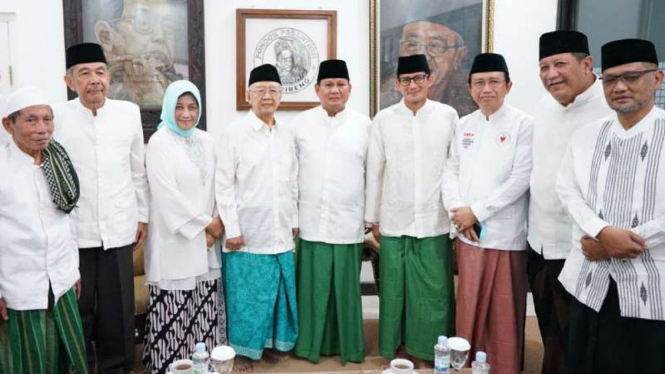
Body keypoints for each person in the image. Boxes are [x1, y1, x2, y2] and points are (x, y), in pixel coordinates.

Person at [557, 38, 665, 374]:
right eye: (611, 79)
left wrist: (623, 242)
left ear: (657, 78)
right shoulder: (587, 135)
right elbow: (567, 190)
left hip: (650, 282)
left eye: (631, 77)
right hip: (589, 280)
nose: (620, 87)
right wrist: (602, 233)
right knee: (582, 359)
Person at [54, 42, 150, 374]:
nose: (94, 80)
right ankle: (80, 366)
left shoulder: (128, 113)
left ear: (108, 77)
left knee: (118, 309)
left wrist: (143, 216)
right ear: (69, 81)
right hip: (73, 232)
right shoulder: (57, 118)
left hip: (119, 227)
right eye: (84, 73)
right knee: (79, 308)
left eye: (99, 72)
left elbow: (138, 170)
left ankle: (118, 367)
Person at [527, 30, 612, 374]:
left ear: (587, 63)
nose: (551, 74)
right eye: (544, 66)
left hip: (584, 246)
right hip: (539, 242)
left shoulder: (609, 108)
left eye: (560, 64)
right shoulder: (544, 106)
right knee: (550, 328)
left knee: (582, 336)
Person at [442, 53, 533, 374]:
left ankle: (505, 366)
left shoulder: (524, 124)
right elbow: (450, 170)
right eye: (479, 83)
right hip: (467, 232)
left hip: (505, 234)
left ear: (508, 85)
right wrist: (458, 212)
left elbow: (521, 179)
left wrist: (477, 211)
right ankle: (464, 365)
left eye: (494, 81)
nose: (487, 89)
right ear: (470, 88)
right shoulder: (464, 125)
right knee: (468, 301)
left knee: (503, 307)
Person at [366, 54, 457, 366]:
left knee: (433, 289)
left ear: (430, 80)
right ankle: (397, 346)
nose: (413, 84)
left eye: (419, 78)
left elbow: (454, 167)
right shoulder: (384, 120)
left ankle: (429, 347)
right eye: (406, 79)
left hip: (435, 219)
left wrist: (456, 213)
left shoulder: (448, 116)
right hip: (393, 217)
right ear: (397, 84)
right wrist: (372, 217)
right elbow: (375, 170)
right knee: (394, 289)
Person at [216, 64, 298, 373]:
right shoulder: (234, 132)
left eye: (274, 90)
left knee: (276, 294)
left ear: (281, 95)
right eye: (260, 90)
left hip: (280, 232)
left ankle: (272, 345)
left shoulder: (286, 133)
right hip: (246, 236)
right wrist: (232, 229)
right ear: (248, 94)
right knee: (247, 299)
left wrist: (294, 219)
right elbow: (223, 184)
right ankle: (243, 354)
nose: (267, 96)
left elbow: (293, 180)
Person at [0, 87, 87, 374]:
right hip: (18, 288)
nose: (42, 129)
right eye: (31, 120)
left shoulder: (58, 160)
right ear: (8, 124)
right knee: (27, 361)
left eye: (47, 120)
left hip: (61, 280)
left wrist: (72, 270)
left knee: (68, 358)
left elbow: (69, 220)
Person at [142, 80, 226, 374]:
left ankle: (204, 368)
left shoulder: (207, 140)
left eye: (192, 107)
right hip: (175, 240)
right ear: (168, 107)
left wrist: (215, 226)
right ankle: (169, 367)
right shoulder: (159, 141)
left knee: (203, 306)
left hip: (207, 241)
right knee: (175, 308)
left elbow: (220, 185)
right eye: (179, 107)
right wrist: (207, 226)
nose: (186, 114)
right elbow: (166, 196)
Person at [291, 59, 371, 365]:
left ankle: (349, 347)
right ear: (317, 89)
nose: (334, 90)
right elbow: (289, 175)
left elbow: (373, 174)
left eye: (340, 84)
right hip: (309, 222)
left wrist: (371, 217)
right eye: (328, 85)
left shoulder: (365, 125)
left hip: (349, 221)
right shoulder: (299, 125)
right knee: (312, 289)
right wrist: (293, 219)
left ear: (350, 89)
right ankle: (309, 346)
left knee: (346, 291)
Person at [92, 0, 183, 105]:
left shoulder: (181, 87)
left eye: (168, 26)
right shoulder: (93, 90)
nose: (160, 36)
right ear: (106, 36)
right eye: (144, 23)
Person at [382, 20, 477, 117]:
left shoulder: (473, 101)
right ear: (400, 48)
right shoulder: (385, 99)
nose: (422, 55)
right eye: (412, 44)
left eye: (435, 46)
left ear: (458, 56)